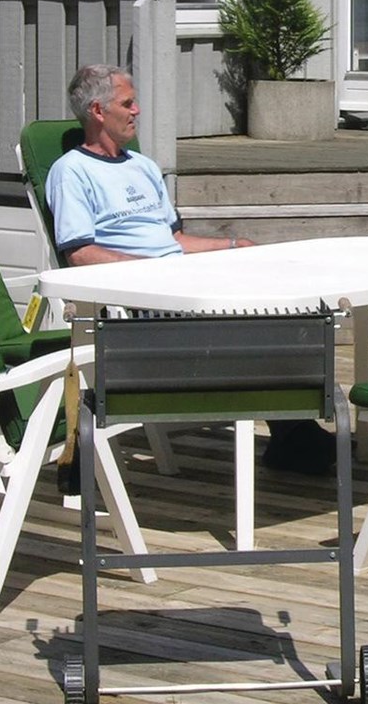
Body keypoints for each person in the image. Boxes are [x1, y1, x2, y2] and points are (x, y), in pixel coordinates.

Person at [48, 64, 333, 473]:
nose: (137, 111)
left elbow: (175, 241)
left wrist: (233, 246)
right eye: (127, 103)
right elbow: (79, 254)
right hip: (138, 302)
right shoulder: (71, 172)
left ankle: (294, 427)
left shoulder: (143, 166)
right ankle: (295, 434)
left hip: (178, 281)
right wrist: (153, 272)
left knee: (288, 301)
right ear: (97, 110)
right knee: (251, 318)